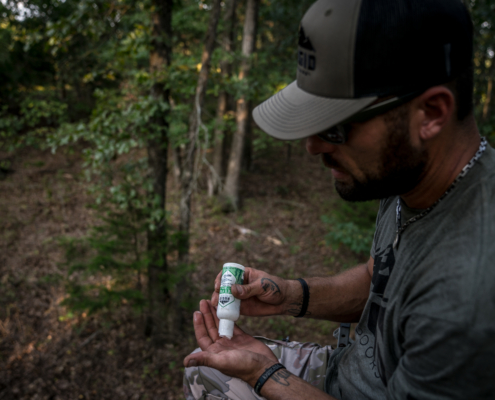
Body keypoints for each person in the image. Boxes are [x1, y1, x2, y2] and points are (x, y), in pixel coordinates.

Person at [183, 0, 495, 398]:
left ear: (431, 113)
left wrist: (265, 374)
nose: (312, 146)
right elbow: (376, 278)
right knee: (204, 370)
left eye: (334, 128)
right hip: (344, 369)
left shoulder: (470, 295)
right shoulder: (410, 173)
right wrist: (288, 295)